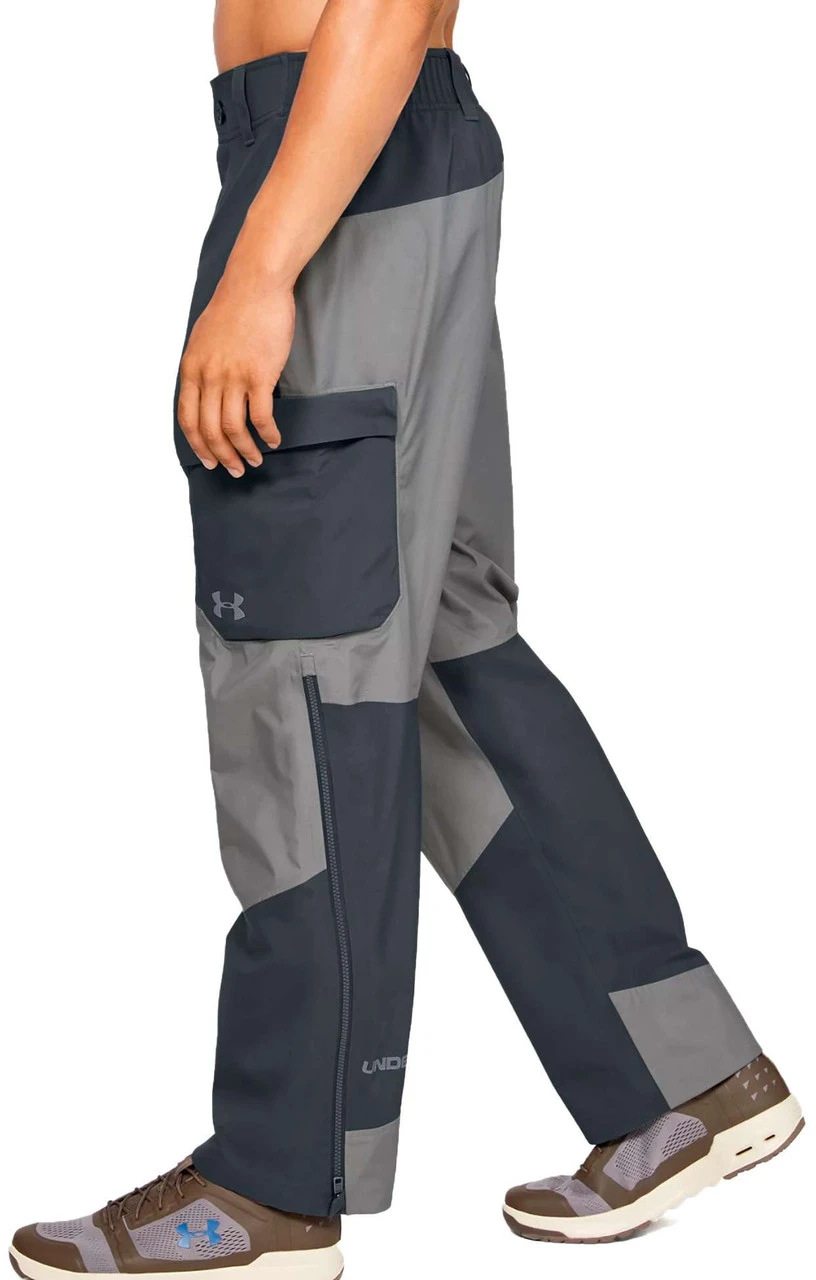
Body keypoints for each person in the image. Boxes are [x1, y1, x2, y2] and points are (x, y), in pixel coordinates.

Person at [10, 1, 803, 1276]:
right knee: (437, 644)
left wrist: (260, 269)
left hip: (336, 153)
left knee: (307, 663)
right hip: (370, 149)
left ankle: (277, 1181)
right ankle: (684, 1074)